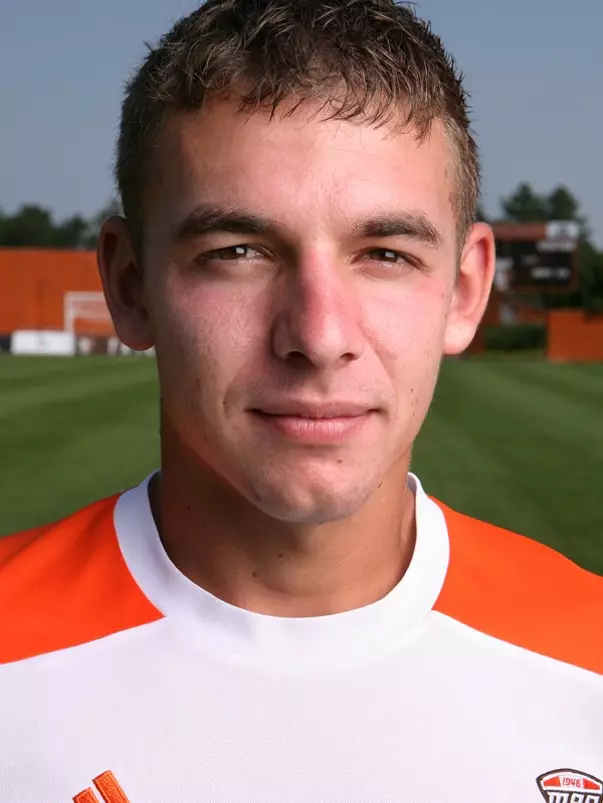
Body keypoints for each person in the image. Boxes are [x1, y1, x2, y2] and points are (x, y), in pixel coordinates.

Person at [1, 1, 602, 801]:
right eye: (238, 252)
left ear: (464, 289)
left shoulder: (586, 662)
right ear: (129, 284)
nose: (318, 335)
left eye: (384, 253)